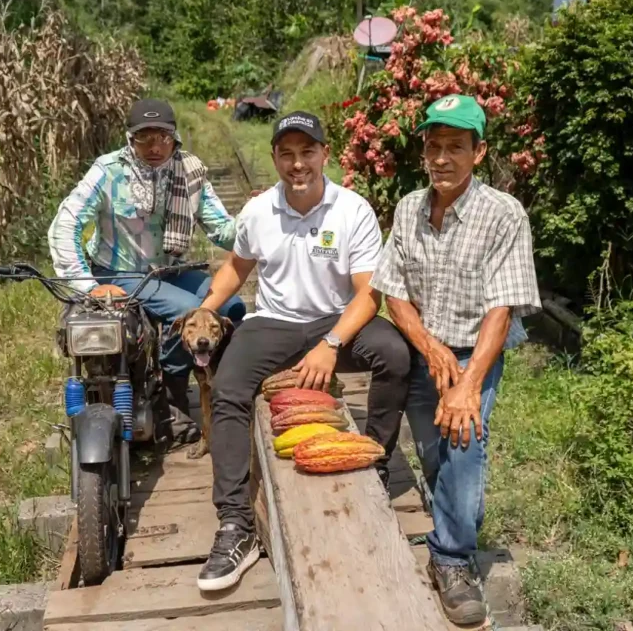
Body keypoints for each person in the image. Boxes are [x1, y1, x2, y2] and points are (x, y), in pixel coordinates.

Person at [193, 111, 412, 592]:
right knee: (228, 389)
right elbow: (237, 267)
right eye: (287, 154)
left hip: (337, 320)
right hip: (272, 322)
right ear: (274, 157)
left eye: (307, 152)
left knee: (395, 354)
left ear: (324, 155)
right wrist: (205, 307)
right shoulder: (257, 211)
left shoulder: (351, 211)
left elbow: (367, 292)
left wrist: (331, 344)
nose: (297, 164)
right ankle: (235, 524)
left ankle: (374, 464)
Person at [370, 94, 541, 625]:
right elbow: (394, 291)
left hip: (476, 354)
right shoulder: (408, 209)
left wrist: (467, 382)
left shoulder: (502, 215)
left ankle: (451, 558)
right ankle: (451, 520)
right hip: (427, 350)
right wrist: (430, 348)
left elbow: (501, 309)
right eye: (434, 146)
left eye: (456, 147)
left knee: (463, 447)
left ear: (479, 151)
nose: (442, 158)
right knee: (432, 452)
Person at [47, 98, 247, 425]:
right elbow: (65, 224)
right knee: (185, 311)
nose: (155, 146)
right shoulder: (108, 171)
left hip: (169, 270)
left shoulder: (190, 170)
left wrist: (255, 216)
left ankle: (221, 385)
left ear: (175, 138)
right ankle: (174, 402)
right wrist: (86, 285)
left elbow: (223, 231)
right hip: (120, 273)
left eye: (163, 137)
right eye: (145, 137)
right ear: (131, 139)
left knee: (232, 306)